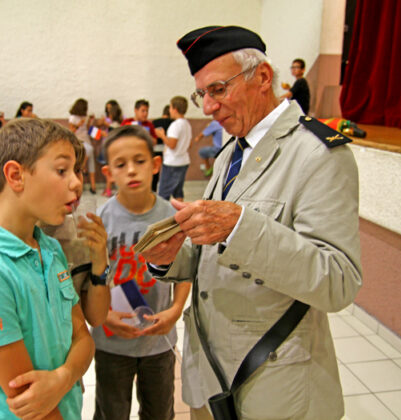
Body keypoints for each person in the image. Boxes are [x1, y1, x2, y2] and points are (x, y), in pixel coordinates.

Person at [142, 26, 362, 420]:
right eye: (202, 95)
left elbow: (338, 281)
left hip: (274, 381)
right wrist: (169, 256)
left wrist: (240, 226)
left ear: (262, 77)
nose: (207, 107)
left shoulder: (317, 155)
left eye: (218, 89)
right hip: (210, 370)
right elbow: (213, 250)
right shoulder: (232, 151)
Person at [0, 118, 97, 419]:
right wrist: (65, 377)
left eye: (76, 171)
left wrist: (63, 377)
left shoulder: (50, 249)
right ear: (15, 176)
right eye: (61, 170)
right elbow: (30, 403)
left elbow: (83, 337)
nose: (77, 182)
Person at [93, 125, 191, 420]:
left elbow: (184, 272)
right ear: (108, 173)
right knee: (112, 411)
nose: (131, 171)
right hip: (111, 340)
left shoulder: (170, 219)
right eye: (121, 165)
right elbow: (87, 279)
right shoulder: (100, 220)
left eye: (140, 161)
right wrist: (102, 315)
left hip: (157, 340)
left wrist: (175, 310)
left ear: (156, 165)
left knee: (159, 411)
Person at [155, 96, 192, 201]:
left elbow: (172, 144)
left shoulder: (175, 125)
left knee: (163, 193)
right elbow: (190, 144)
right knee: (178, 191)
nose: (170, 110)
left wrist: (162, 135)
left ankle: (163, 216)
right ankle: (180, 215)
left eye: (170, 107)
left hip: (172, 163)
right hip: (183, 161)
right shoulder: (187, 124)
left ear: (175, 109)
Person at [68, 98, 97, 194]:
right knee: (90, 149)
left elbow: (88, 130)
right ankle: (82, 166)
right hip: (79, 142)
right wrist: (78, 125)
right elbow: (70, 132)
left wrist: (90, 122)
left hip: (87, 140)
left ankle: (93, 187)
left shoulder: (85, 117)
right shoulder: (73, 117)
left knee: (91, 158)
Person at [98, 99, 123, 197]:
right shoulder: (119, 124)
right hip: (117, 149)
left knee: (110, 170)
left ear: (112, 115)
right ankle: (110, 190)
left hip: (111, 150)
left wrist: (105, 134)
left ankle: (108, 190)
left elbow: (111, 136)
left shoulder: (112, 125)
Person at [151, 105, 173, 191]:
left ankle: (153, 191)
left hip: (155, 150)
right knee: (166, 175)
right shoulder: (172, 122)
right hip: (167, 151)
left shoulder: (155, 122)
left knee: (154, 174)